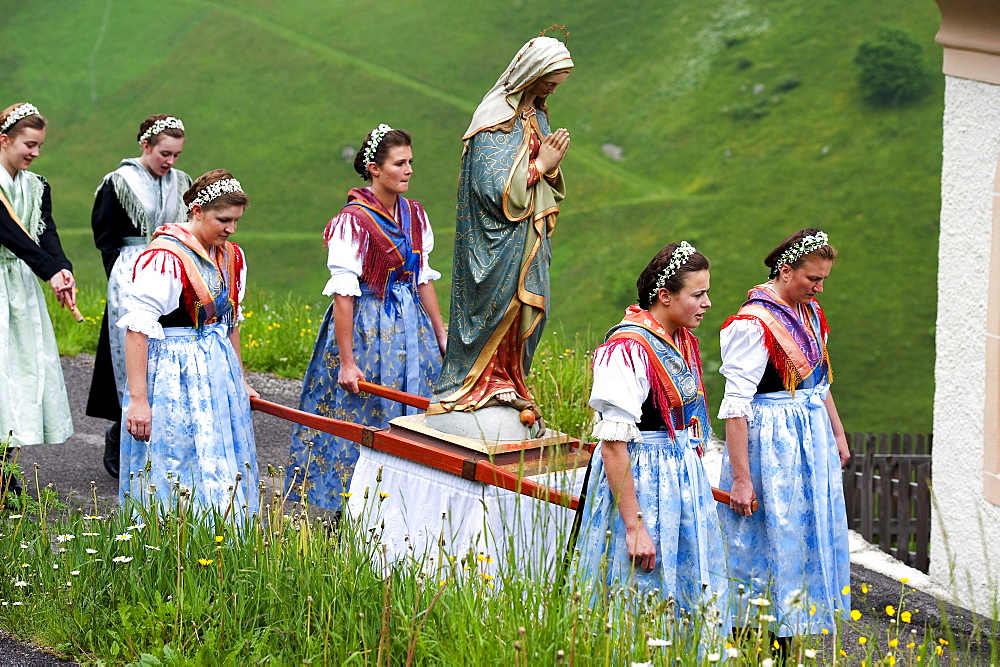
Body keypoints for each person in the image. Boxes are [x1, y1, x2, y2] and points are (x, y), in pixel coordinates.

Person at [287, 125, 446, 512]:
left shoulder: (414, 214)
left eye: (410, 162)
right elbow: (344, 295)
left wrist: (441, 333)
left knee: (417, 406)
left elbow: (421, 278)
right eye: (399, 163)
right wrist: (347, 361)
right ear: (375, 168)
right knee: (366, 412)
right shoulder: (353, 221)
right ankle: (353, 507)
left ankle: (408, 504)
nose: (408, 170)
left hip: (412, 326)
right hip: (366, 325)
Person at [576, 242, 729, 619]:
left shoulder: (678, 340)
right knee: (642, 584)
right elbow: (613, 445)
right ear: (665, 296)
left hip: (678, 474)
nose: (708, 302)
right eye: (698, 294)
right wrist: (634, 526)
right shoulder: (628, 348)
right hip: (644, 476)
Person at [426, 36, 572, 427]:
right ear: (532, 75)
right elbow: (491, 190)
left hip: (529, 238)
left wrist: (550, 166)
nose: (552, 91)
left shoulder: (537, 118)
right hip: (493, 243)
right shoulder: (492, 121)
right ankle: (475, 386)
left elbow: (546, 184)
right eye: (549, 82)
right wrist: (541, 164)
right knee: (495, 309)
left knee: (530, 307)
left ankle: (510, 380)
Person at [717, 229, 850, 638]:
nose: (820, 288)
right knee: (767, 533)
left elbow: (819, 383)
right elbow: (736, 406)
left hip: (809, 438)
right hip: (771, 443)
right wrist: (741, 479)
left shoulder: (808, 312)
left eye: (824, 279)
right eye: (813, 278)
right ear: (786, 270)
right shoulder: (753, 324)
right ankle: (755, 632)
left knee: (803, 530)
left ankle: (795, 626)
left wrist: (838, 435)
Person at [118, 170, 258, 518]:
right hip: (173, 366)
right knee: (177, 451)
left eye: (236, 221)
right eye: (223, 219)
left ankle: (224, 529)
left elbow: (230, 322)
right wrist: (138, 400)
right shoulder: (167, 256)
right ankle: (173, 533)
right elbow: (137, 328)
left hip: (216, 363)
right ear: (197, 211)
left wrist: (240, 378)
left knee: (220, 447)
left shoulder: (230, 256)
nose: (230, 229)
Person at [86, 114, 191, 479]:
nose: (171, 162)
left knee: (167, 352)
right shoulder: (119, 182)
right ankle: (120, 431)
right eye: (165, 153)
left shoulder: (183, 183)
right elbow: (105, 234)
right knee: (128, 351)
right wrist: (122, 274)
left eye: (176, 155)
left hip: (172, 272)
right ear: (145, 146)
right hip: (130, 270)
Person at [0, 102, 76, 499]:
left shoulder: (36, 185)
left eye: (39, 146)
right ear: (4, 140)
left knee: (19, 376)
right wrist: (48, 269)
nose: (35, 153)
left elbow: (45, 233)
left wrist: (62, 267)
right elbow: (7, 233)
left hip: (21, 290)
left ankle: (3, 468)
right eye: (28, 144)